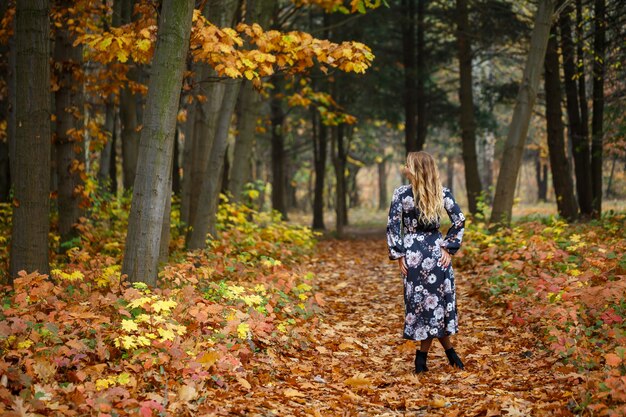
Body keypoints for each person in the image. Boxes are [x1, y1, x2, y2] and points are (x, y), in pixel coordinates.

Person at [386, 151, 466, 373]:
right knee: (436, 307)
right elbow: (459, 220)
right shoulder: (441, 193)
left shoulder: (401, 194)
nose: (404, 167)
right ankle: (448, 353)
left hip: (414, 256)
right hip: (435, 253)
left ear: (417, 169)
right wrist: (448, 247)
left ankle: (422, 358)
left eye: (408, 164)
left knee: (422, 307)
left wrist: (400, 254)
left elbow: (393, 226)